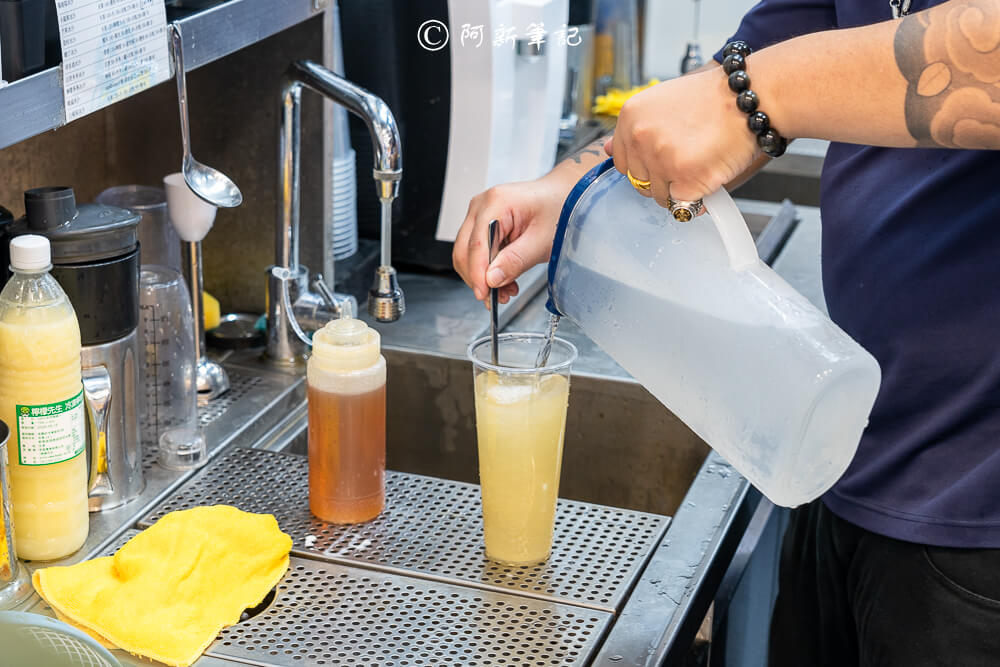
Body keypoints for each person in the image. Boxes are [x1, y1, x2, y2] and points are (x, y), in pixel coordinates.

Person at [452, 0, 1000, 664]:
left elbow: (751, 92)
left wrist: (755, 94)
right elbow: (764, 53)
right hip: (839, 445)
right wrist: (575, 189)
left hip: (978, 517)